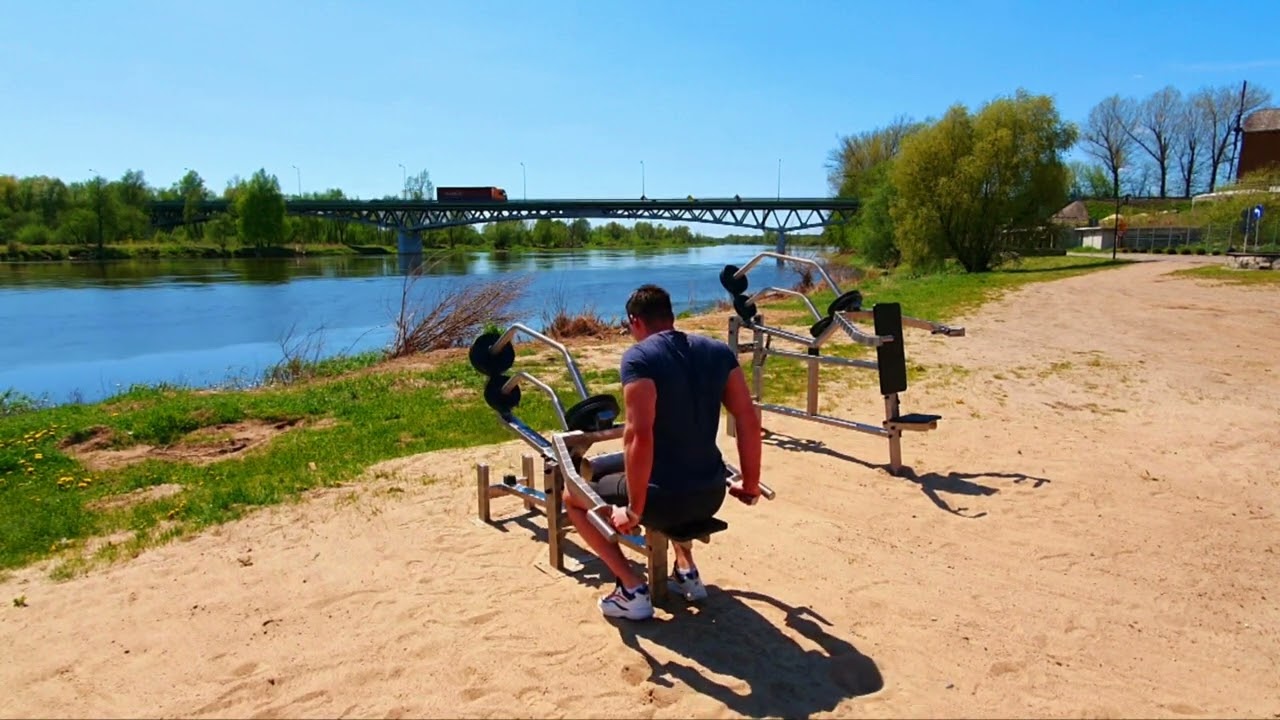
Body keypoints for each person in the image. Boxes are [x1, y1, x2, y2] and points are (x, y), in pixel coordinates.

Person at [562, 284, 764, 621]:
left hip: (663, 502)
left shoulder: (640, 358)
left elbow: (638, 436)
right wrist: (752, 483)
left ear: (634, 321)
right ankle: (686, 568)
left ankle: (630, 589)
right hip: (711, 495)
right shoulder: (717, 352)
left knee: (572, 496)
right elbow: (746, 418)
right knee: (667, 466)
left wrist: (634, 510)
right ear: (670, 316)